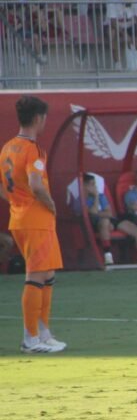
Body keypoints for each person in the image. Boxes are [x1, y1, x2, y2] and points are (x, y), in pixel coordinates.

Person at [0, 95, 66, 354]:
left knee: (47, 274)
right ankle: (30, 338)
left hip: (21, 217)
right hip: (36, 219)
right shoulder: (33, 149)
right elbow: (37, 185)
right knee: (36, 276)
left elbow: (3, 186)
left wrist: (17, 201)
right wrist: (49, 204)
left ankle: (43, 332)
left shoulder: (7, 147)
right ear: (39, 118)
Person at [79, 173, 137, 268]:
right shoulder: (81, 199)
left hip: (109, 221)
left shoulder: (102, 196)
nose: (95, 187)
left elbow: (109, 213)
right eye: (92, 184)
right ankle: (108, 255)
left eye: (95, 184)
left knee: (135, 229)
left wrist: (99, 207)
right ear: (85, 186)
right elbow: (92, 212)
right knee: (105, 222)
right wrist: (96, 197)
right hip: (94, 224)